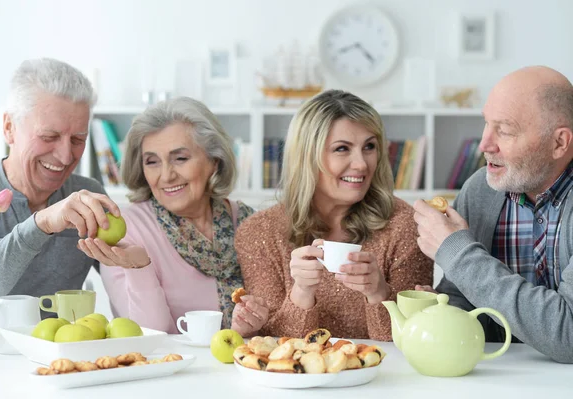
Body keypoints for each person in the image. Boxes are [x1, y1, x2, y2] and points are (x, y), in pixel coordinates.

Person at [234, 90, 434, 340]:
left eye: (369, 147)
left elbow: (415, 340)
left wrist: (379, 293)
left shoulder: (405, 225)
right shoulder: (259, 233)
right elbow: (272, 346)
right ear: (307, 157)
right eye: (342, 149)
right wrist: (302, 293)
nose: (362, 164)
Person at [413, 66, 573, 363]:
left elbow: (569, 336)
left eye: (505, 130)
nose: (485, 144)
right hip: (495, 378)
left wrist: (458, 254)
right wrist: (440, 306)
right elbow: (465, 297)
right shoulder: (481, 190)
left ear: (559, 143)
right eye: (486, 123)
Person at [92, 97, 261, 335]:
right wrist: (140, 267)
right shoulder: (124, 230)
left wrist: (258, 322)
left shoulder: (249, 223)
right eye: (152, 162)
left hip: (244, 368)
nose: (166, 175)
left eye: (180, 159)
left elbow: (277, 323)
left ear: (214, 161)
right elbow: (149, 336)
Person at [0, 58, 120, 310]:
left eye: (78, 139)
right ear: (9, 128)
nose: (65, 157)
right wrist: (41, 224)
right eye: (48, 137)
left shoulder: (88, 195)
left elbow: (123, 290)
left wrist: (136, 263)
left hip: (63, 348)